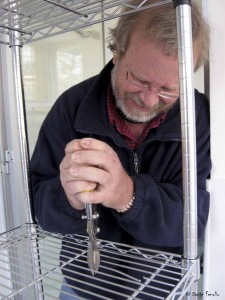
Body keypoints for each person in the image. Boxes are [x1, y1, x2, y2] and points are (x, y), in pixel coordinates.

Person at [30, 0, 211, 299]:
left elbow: (196, 219)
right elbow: (40, 206)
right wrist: (68, 198)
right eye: (138, 80)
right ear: (118, 52)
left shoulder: (198, 114)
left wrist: (128, 195)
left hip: (165, 287)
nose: (150, 100)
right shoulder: (70, 107)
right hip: (83, 286)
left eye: (169, 89)